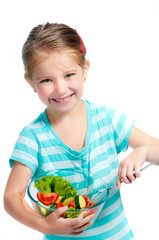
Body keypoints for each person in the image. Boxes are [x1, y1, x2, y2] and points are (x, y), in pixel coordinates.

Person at [4, 22, 159, 240]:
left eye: (69, 75)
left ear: (84, 70)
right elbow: (12, 197)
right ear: (31, 82)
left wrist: (142, 152)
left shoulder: (105, 118)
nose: (60, 88)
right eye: (46, 80)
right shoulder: (33, 137)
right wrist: (45, 226)